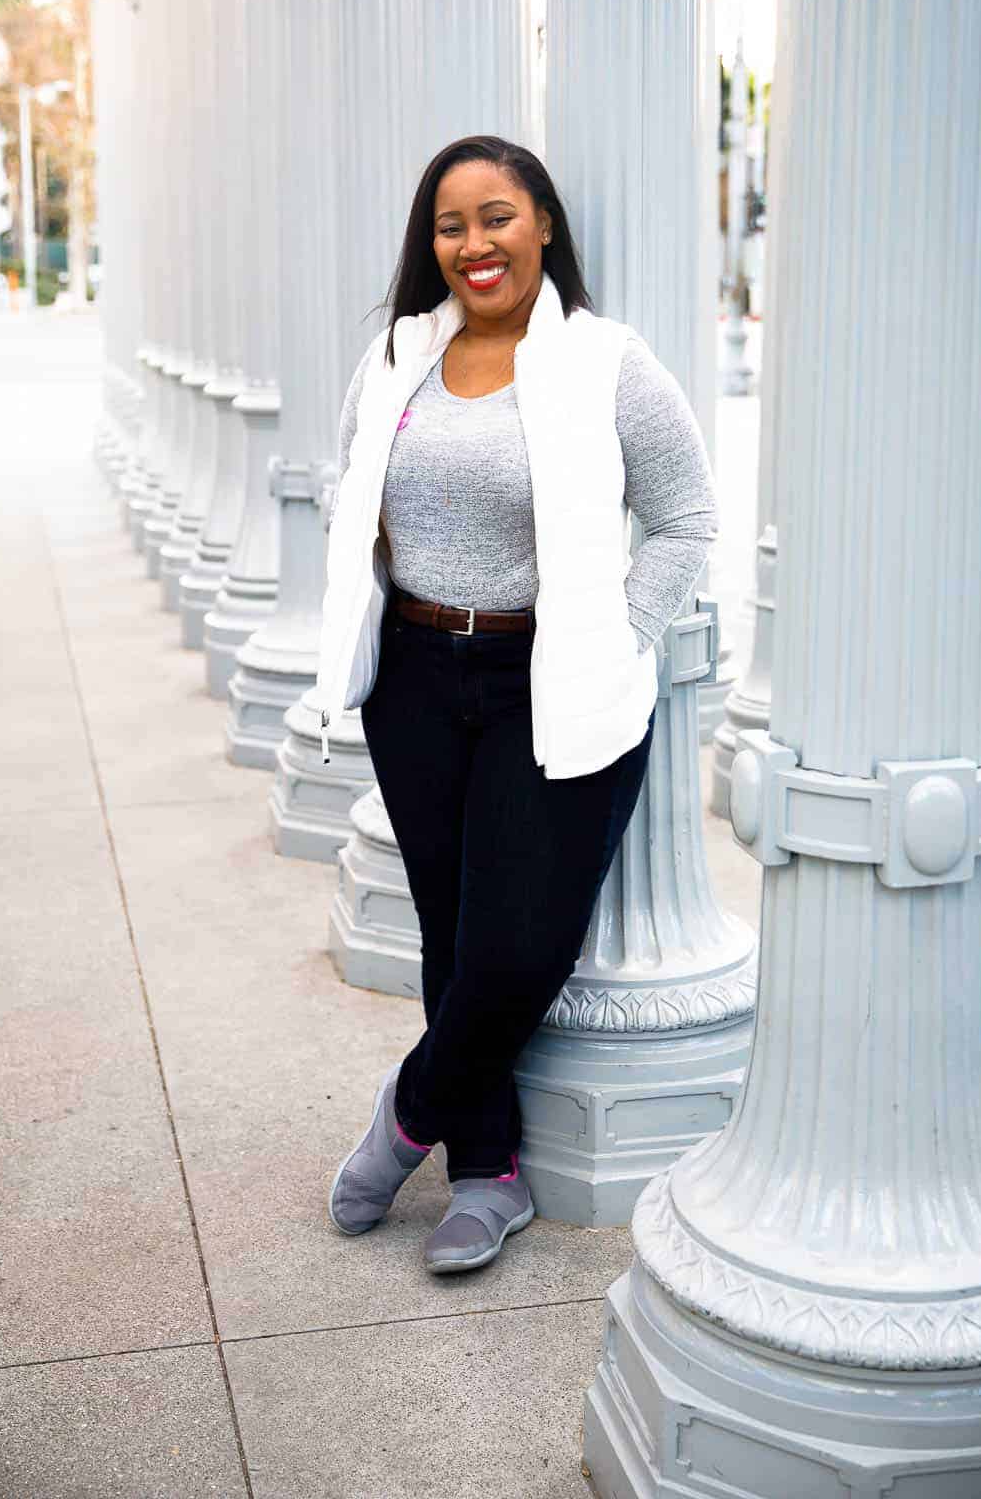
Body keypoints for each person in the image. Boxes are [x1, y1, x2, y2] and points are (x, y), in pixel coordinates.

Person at [318, 134, 718, 1275]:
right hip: (416, 674)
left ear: (543, 222)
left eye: (497, 216)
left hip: (552, 678)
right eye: (451, 225)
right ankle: (489, 1174)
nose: (474, 244)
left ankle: (405, 1118)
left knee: (517, 944)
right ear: (430, 244)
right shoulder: (397, 355)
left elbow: (688, 518)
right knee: (454, 931)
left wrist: (621, 636)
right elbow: (358, 485)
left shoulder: (608, 362)